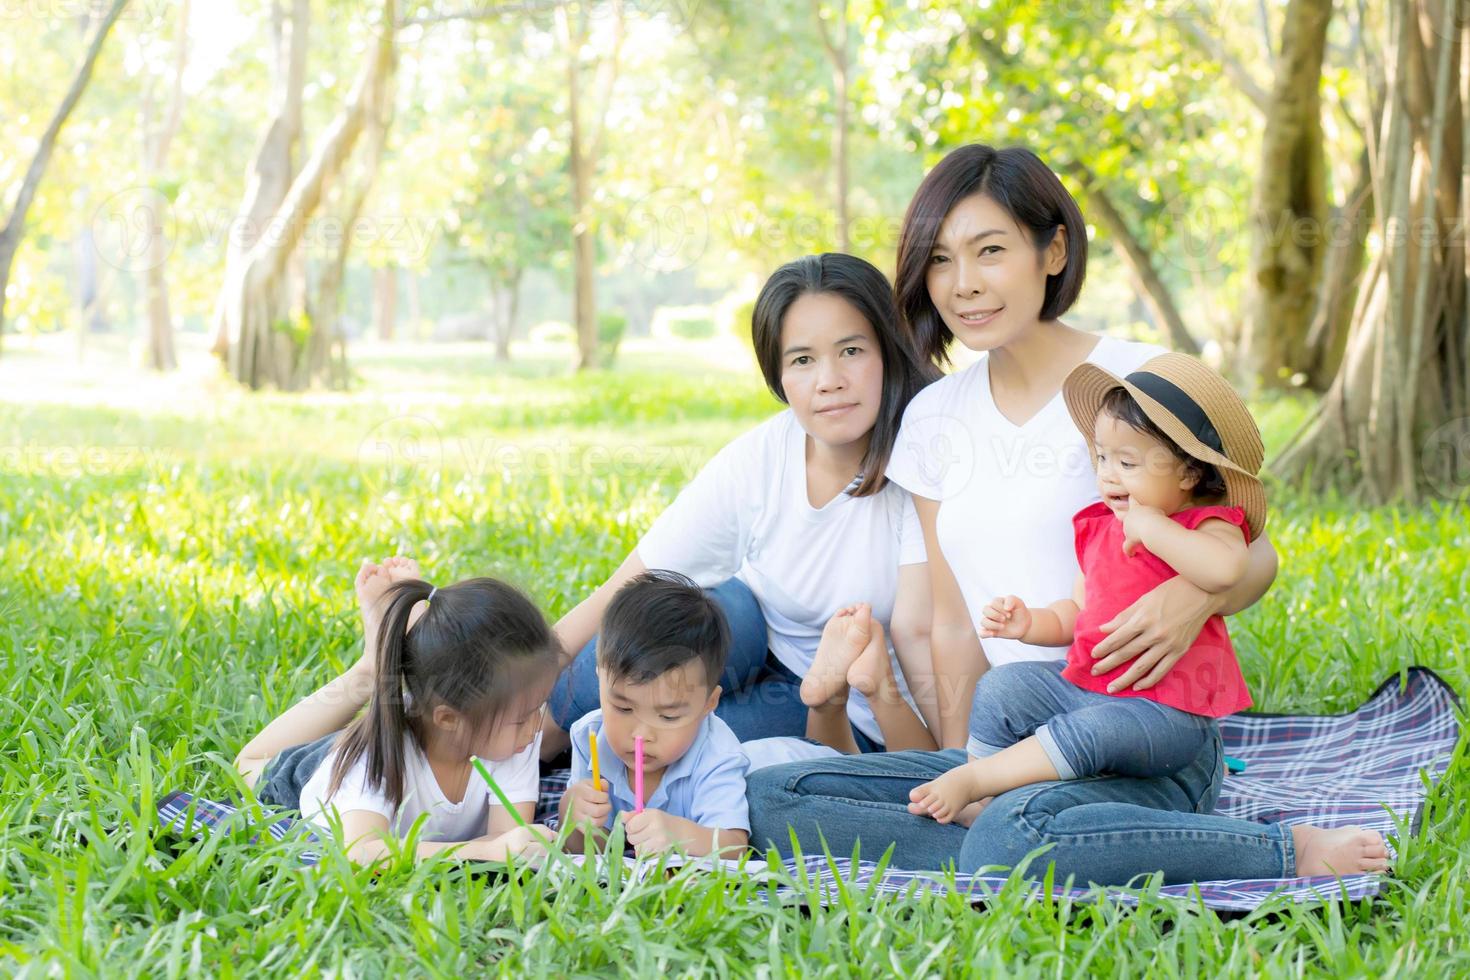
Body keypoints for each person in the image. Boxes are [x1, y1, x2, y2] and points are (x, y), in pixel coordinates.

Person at [748, 145, 1390, 884]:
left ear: (1053, 250)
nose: (965, 285)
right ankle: (1045, 838)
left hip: (1141, 731)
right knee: (775, 797)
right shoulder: (933, 417)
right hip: (1019, 727)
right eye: (941, 260)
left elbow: (1256, 550)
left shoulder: (1139, 382)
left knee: (1012, 834)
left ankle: (1280, 849)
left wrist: (1193, 596)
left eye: (990, 251)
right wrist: (973, 773)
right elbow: (949, 623)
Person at [544, 253, 941, 759]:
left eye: (851, 351)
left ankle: (577, 757)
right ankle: (525, 744)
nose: (829, 380)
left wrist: (955, 765)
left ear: (889, 350)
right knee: (654, 635)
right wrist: (520, 684)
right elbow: (630, 583)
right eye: (802, 360)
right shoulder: (765, 454)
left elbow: (927, 636)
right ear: (779, 376)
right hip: (757, 631)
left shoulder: (922, 466)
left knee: (680, 753)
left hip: (848, 706)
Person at [910, 353, 1263, 821]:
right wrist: (1031, 623)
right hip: (1089, 689)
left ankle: (979, 779)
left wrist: (1152, 526)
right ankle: (983, 801)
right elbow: (1078, 612)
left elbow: (1225, 570)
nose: (1109, 473)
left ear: (1189, 472)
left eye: (1128, 461)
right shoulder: (1100, 528)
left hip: (1167, 715)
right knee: (1002, 687)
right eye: (1101, 457)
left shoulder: (1208, 523)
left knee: (1097, 728)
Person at [235, 557, 558, 864]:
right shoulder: (374, 757)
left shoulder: (513, 739)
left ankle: (416, 635)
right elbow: (362, 852)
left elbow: (505, 839)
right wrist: (481, 850)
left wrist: (504, 846)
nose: (534, 728)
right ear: (448, 718)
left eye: (537, 708)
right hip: (320, 773)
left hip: (426, 725)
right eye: (520, 718)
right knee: (247, 767)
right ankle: (373, 664)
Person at [559, 571, 751, 858]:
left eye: (668, 717)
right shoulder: (590, 739)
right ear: (600, 681)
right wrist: (572, 817)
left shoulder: (717, 753)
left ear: (708, 704)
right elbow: (590, 854)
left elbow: (734, 847)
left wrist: (680, 835)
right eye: (623, 708)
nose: (640, 734)